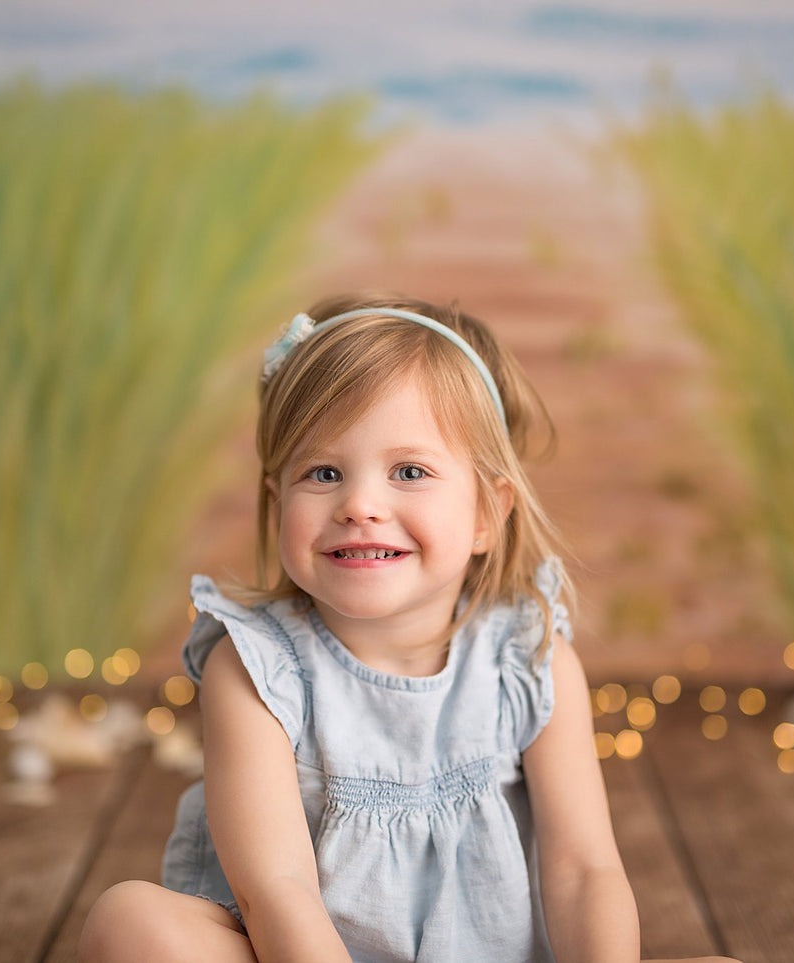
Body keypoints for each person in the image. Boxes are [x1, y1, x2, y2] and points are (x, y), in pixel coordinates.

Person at [79, 294, 740, 963]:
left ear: (487, 511)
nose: (360, 504)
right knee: (131, 922)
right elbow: (275, 891)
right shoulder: (256, 670)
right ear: (278, 501)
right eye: (324, 472)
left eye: (409, 471)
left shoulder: (528, 659)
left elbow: (582, 872)